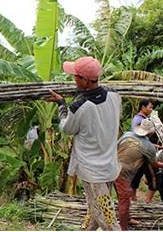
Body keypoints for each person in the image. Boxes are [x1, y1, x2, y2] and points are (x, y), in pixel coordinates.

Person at [48, 56, 121, 231]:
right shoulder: (114, 95)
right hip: (109, 165)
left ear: (85, 80)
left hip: (92, 170)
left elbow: (67, 128)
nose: (74, 79)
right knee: (95, 208)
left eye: (76, 76)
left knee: (108, 218)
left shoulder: (80, 106)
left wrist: (61, 105)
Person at [114, 118, 163, 230]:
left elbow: (117, 146)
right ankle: (123, 227)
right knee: (125, 198)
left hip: (113, 167)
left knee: (123, 197)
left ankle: (127, 219)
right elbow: (155, 164)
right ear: (151, 132)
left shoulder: (127, 135)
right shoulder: (148, 147)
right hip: (122, 173)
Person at [130, 99, 157, 203]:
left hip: (138, 151)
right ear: (143, 107)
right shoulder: (139, 120)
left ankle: (134, 198)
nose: (151, 109)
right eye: (150, 107)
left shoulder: (140, 119)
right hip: (143, 152)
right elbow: (139, 138)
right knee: (154, 176)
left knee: (137, 174)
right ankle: (148, 200)